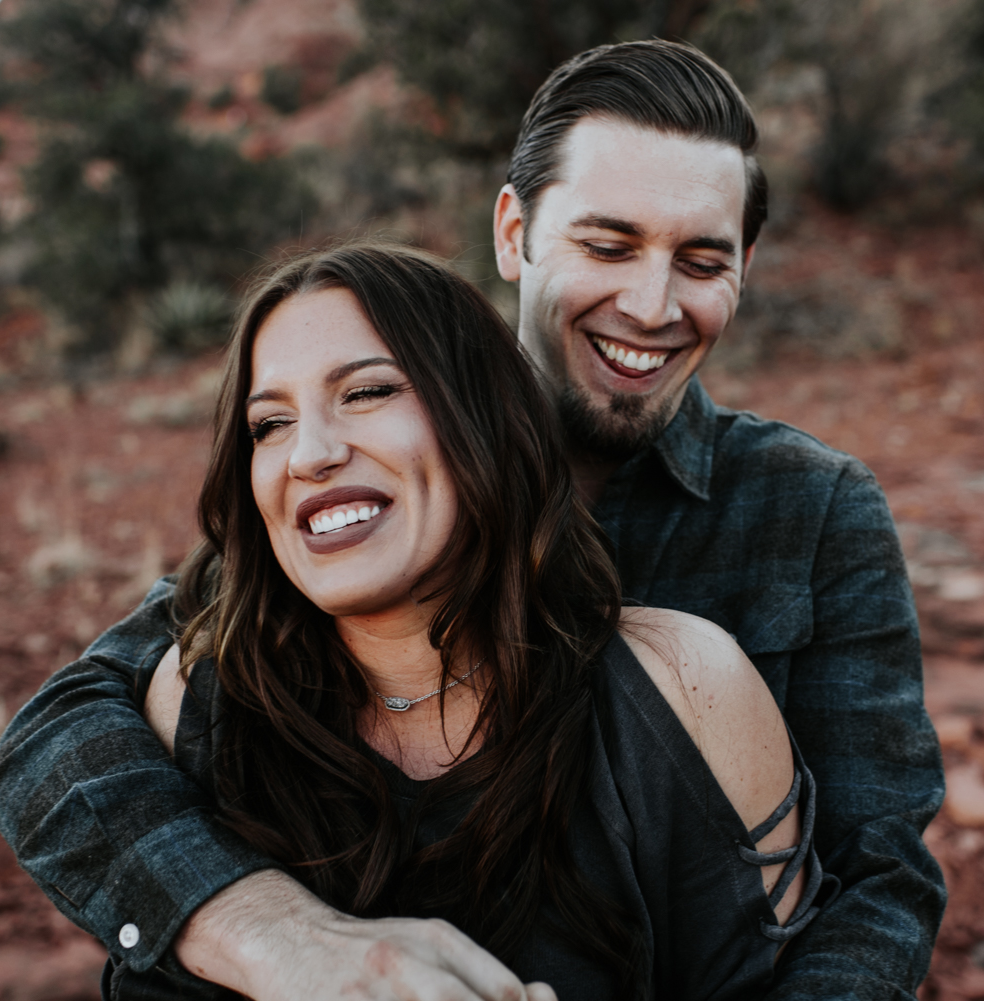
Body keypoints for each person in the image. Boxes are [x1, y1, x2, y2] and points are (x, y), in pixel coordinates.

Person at [0, 39, 945, 1001]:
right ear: (511, 232)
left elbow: (876, 877)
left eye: (702, 261)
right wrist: (263, 925)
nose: (652, 305)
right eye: (607, 246)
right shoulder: (365, 477)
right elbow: (63, 729)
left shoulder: (812, 506)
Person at [90, 241, 825, 999]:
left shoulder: (682, 692)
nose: (307, 453)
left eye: (368, 392)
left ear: (485, 415)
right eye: (269, 424)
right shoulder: (202, 707)